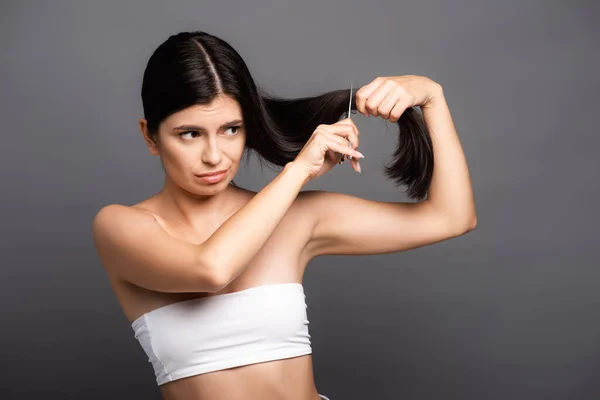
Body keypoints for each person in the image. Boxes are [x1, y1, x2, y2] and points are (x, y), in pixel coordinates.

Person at [91, 30, 477, 400]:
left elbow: (452, 217)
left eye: (231, 129)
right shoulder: (121, 226)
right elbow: (211, 269)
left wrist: (432, 97)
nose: (214, 155)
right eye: (190, 134)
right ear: (150, 136)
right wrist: (298, 170)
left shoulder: (298, 219)